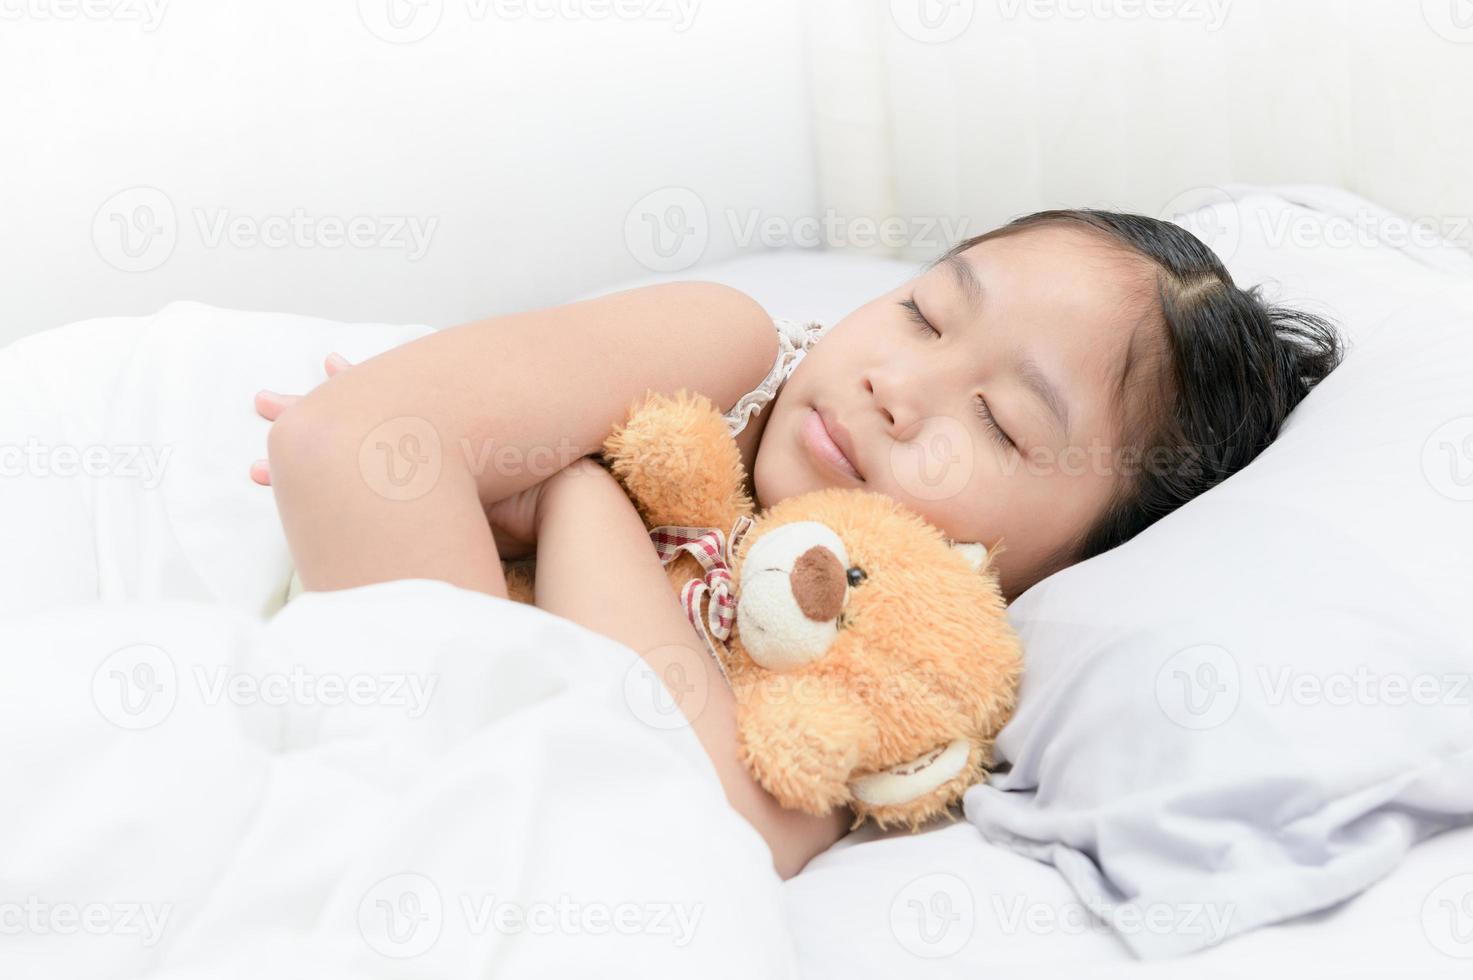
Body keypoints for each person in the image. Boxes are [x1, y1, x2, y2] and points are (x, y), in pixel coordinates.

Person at [249, 209, 1343, 878]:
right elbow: (346, 443)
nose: (898, 386)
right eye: (923, 312)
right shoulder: (723, 355)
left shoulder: (898, 658)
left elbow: (703, 814)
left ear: (1071, 559)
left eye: (1003, 422)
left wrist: (577, 494)